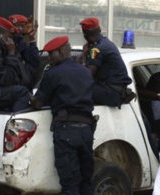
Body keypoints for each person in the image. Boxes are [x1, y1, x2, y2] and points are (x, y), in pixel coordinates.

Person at [30, 36, 95, 195]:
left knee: (70, 184)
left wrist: (28, 97)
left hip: (66, 131)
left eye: (51, 54)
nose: (49, 58)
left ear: (61, 52)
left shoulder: (53, 73)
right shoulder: (86, 72)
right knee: (86, 181)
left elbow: (38, 103)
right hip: (87, 131)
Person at [79, 17, 134, 108]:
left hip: (111, 94)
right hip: (116, 91)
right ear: (100, 29)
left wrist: (84, 57)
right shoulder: (107, 43)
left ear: (85, 35)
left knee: (73, 88)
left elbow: (87, 75)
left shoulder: (97, 49)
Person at [9, 14, 40, 91]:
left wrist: (32, 39)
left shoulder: (21, 43)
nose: (19, 29)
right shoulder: (4, 41)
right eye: (17, 26)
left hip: (20, 84)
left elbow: (34, 62)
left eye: (22, 26)